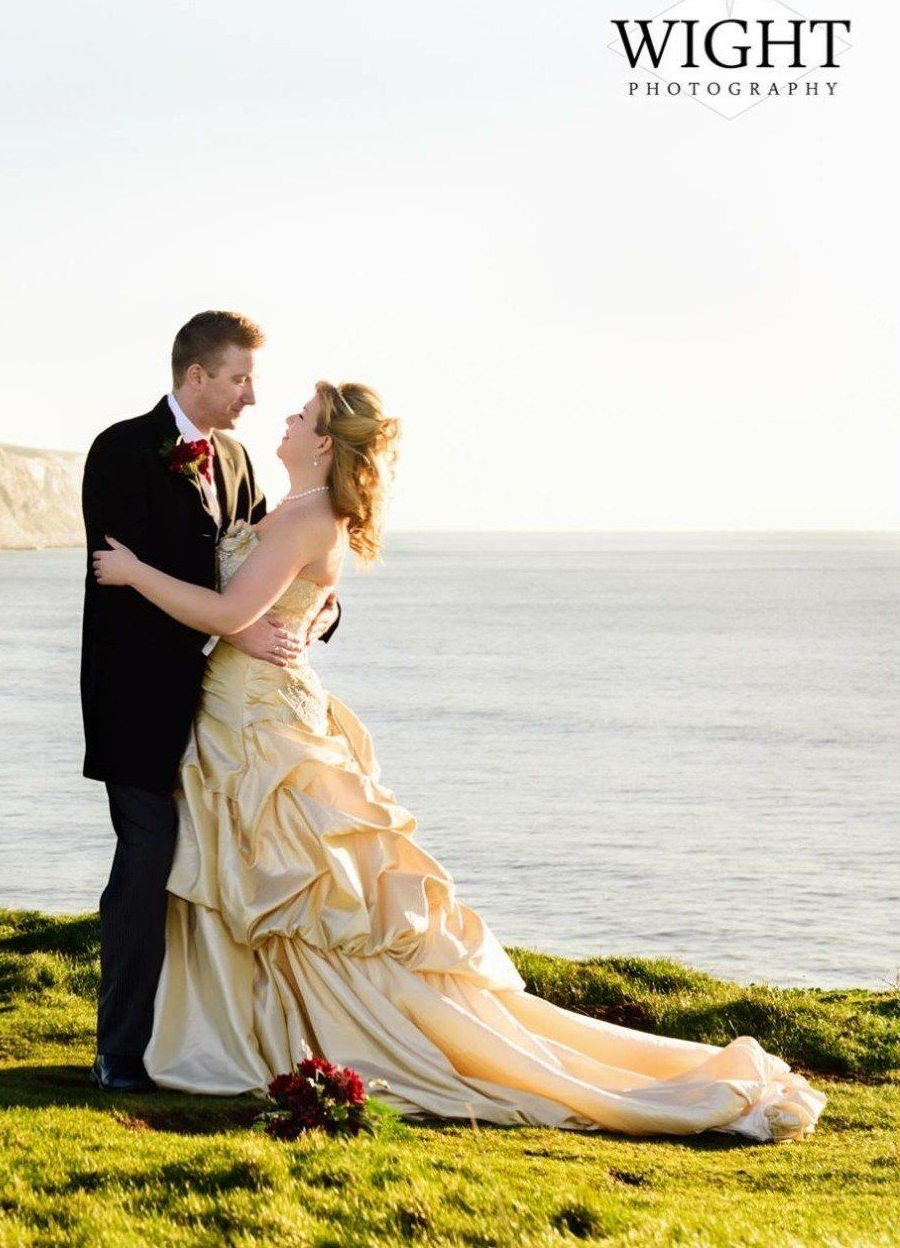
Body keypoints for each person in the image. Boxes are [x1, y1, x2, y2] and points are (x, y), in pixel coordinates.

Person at [90, 380, 825, 1141]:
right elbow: (260, 608)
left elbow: (230, 609)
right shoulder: (289, 507)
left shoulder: (310, 516)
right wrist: (263, 623)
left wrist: (137, 574)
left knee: (295, 891)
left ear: (324, 444)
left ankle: (314, 1038)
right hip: (249, 709)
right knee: (273, 891)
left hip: (260, 727)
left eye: (301, 417)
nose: (281, 417)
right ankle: (243, 1031)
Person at [79, 310, 338, 1093]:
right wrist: (231, 635)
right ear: (197, 376)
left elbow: (268, 567)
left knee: (223, 873)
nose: (251, 397)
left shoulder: (237, 458)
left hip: (228, 712)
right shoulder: (119, 451)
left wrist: (305, 617)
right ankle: (118, 1050)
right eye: (238, 379)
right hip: (140, 700)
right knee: (147, 862)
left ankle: (215, 1039)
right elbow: (116, 583)